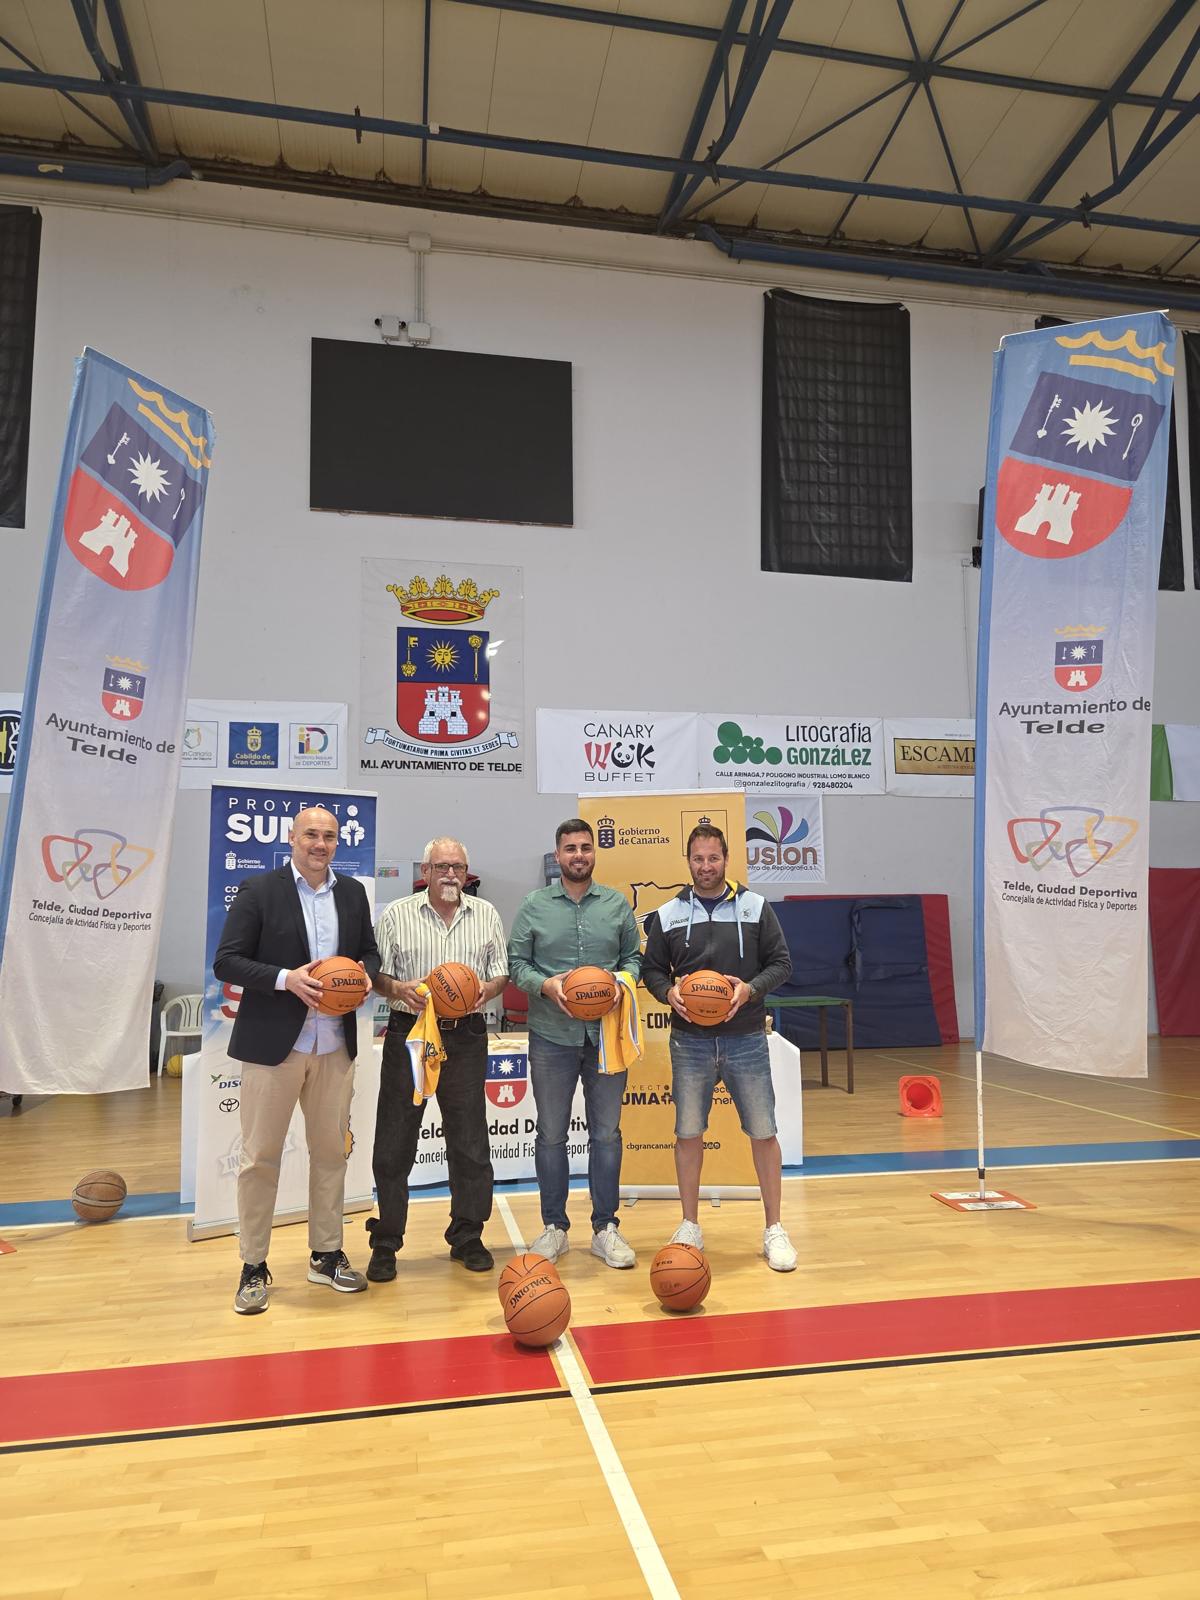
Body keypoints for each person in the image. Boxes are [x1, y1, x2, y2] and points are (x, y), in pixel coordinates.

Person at [213, 805, 381, 1314]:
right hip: (273, 1047)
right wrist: (288, 979)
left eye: (329, 836)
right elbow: (227, 961)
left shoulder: (352, 894)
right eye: (311, 834)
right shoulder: (260, 890)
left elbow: (369, 952)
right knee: (260, 1159)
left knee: (331, 1154)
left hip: (333, 1046)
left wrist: (364, 975)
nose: (320, 844)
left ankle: (326, 1254)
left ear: (337, 843)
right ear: (292, 838)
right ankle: (253, 1265)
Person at [641, 823, 797, 1271]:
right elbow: (652, 970)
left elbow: (782, 964)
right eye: (698, 859)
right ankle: (690, 1223)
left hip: (745, 1037)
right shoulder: (668, 913)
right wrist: (667, 992)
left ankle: (774, 1228)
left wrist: (750, 989)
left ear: (726, 859)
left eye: (713, 858)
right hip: (689, 1040)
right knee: (688, 1131)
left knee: (763, 1131)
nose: (705, 866)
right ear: (688, 861)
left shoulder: (756, 907)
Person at [366, 837, 508, 1279]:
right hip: (410, 1031)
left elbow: (500, 973)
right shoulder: (396, 914)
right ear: (425, 871)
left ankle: (467, 1235)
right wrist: (397, 988)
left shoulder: (486, 914)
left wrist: (486, 989)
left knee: (469, 1139)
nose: (450, 874)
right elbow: (377, 976)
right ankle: (386, 1240)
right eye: (442, 866)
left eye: (458, 867)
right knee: (395, 1138)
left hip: (466, 1035)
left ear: (467, 873)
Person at [507, 818, 642, 1268]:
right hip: (552, 1036)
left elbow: (633, 958)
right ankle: (554, 1227)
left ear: (593, 853)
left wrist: (621, 983)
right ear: (558, 855)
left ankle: (606, 1228)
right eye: (570, 848)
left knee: (607, 1134)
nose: (578, 855)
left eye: (585, 847)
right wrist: (546, 986)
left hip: (607, 1036)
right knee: (551, 1134)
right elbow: (516, 964)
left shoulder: (617, 904)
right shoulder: (534, 905)